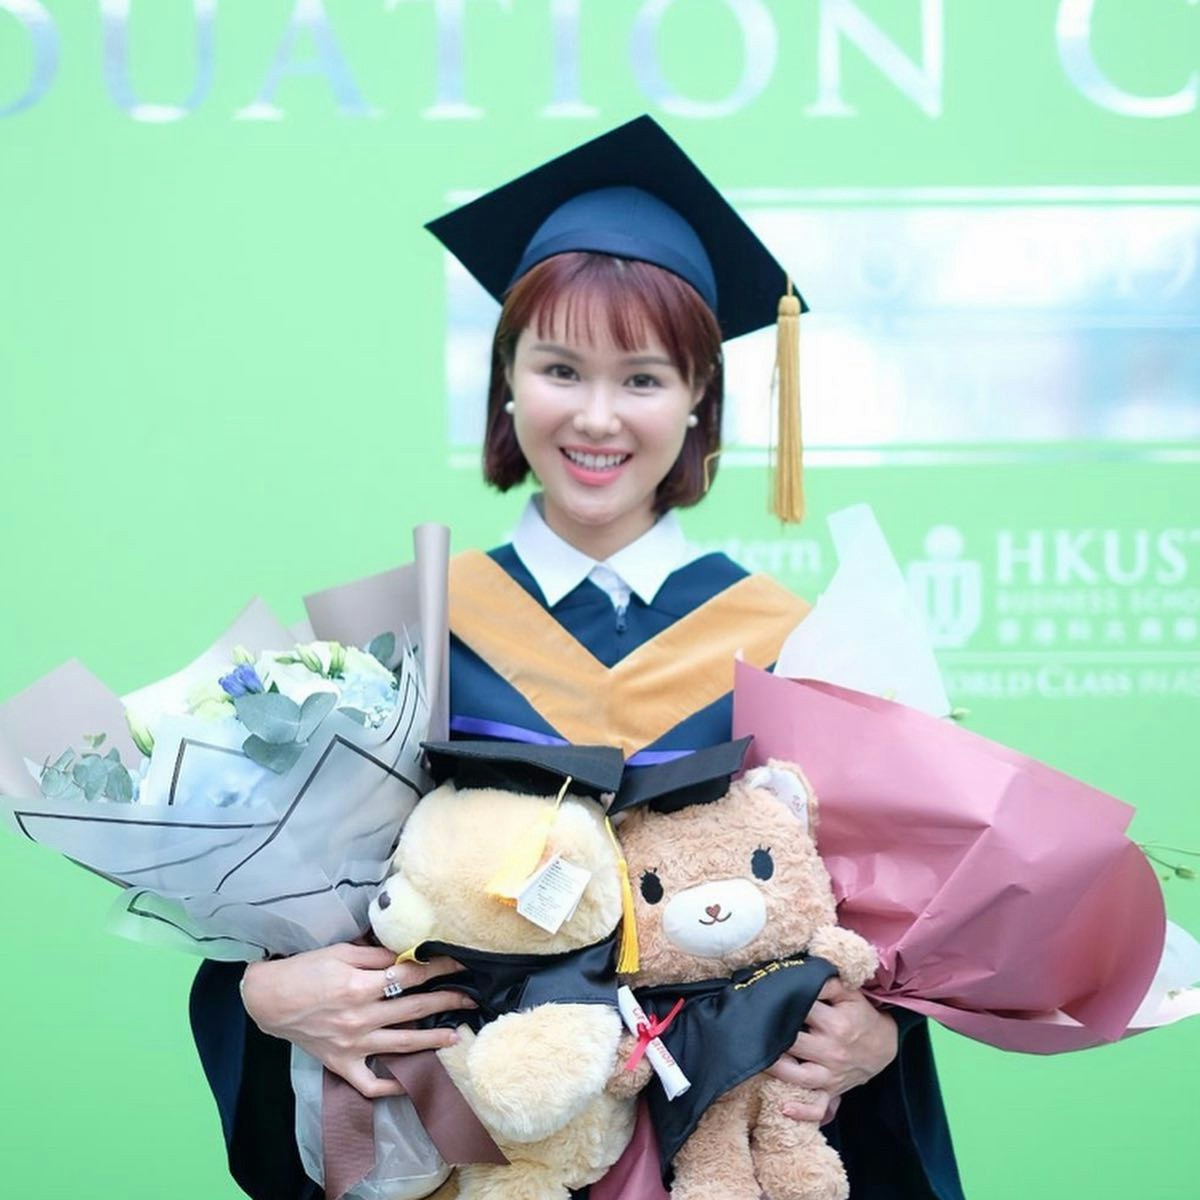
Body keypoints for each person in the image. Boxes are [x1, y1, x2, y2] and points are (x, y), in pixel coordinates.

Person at [191, 116, 963, 1199]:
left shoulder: (791, 644)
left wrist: (879, 1035)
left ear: (700, 399)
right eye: (560, 368)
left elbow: (864, 932)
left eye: (643, 378)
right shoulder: (412, 634)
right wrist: (263, 995)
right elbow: (300, 916)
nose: (597, 418)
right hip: (480, 1152)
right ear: (507, 379)